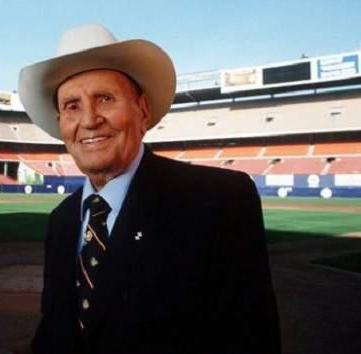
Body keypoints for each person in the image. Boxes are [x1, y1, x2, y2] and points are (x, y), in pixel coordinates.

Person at [17, 24, 281, 354]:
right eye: (72, 105)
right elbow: (54, 332)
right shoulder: (62, 220)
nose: (89, 119)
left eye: (105, 98)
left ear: (142, 110)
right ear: (61, 124)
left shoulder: (219, 201)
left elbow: (251, 340)